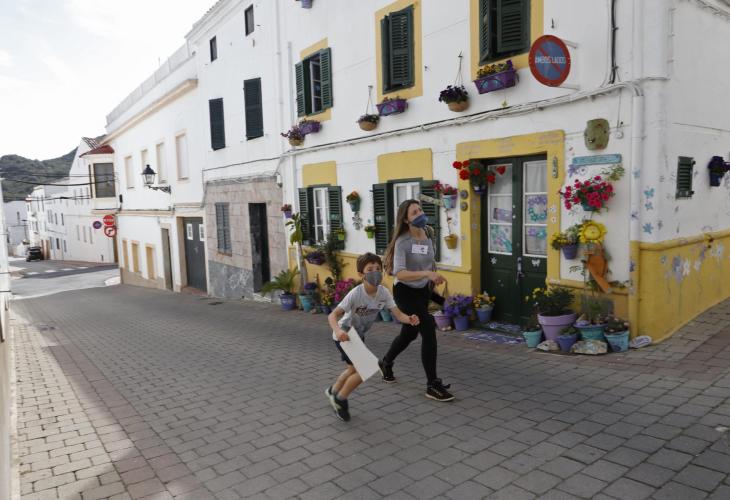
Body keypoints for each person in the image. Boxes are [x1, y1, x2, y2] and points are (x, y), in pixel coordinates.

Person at [325, 252, 419, 421]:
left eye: (378, 268)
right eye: (370, 269)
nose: (375, 272)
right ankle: (340, 399)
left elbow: (398, 314)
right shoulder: (356, 293)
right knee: (366, 368)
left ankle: (333, 390)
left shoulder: (383, 293)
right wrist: (338, 331)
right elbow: (332, 315)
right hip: (345, 334)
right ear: (361, 274)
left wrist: (409, 319)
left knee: (353, 369)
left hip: (358, 336)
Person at [379, 199, 454, 402]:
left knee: (409, 333)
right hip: (404, 292)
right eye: (414, 212)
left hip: (422, 291)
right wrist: (427, 274)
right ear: (405, 219)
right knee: (428, 327)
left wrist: (434, 286)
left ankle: (386, 362)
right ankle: (432, 384)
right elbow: (400, 273)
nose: (420, 213)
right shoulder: (403, 242)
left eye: (420, 209)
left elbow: (428, 264)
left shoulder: (428, 233)